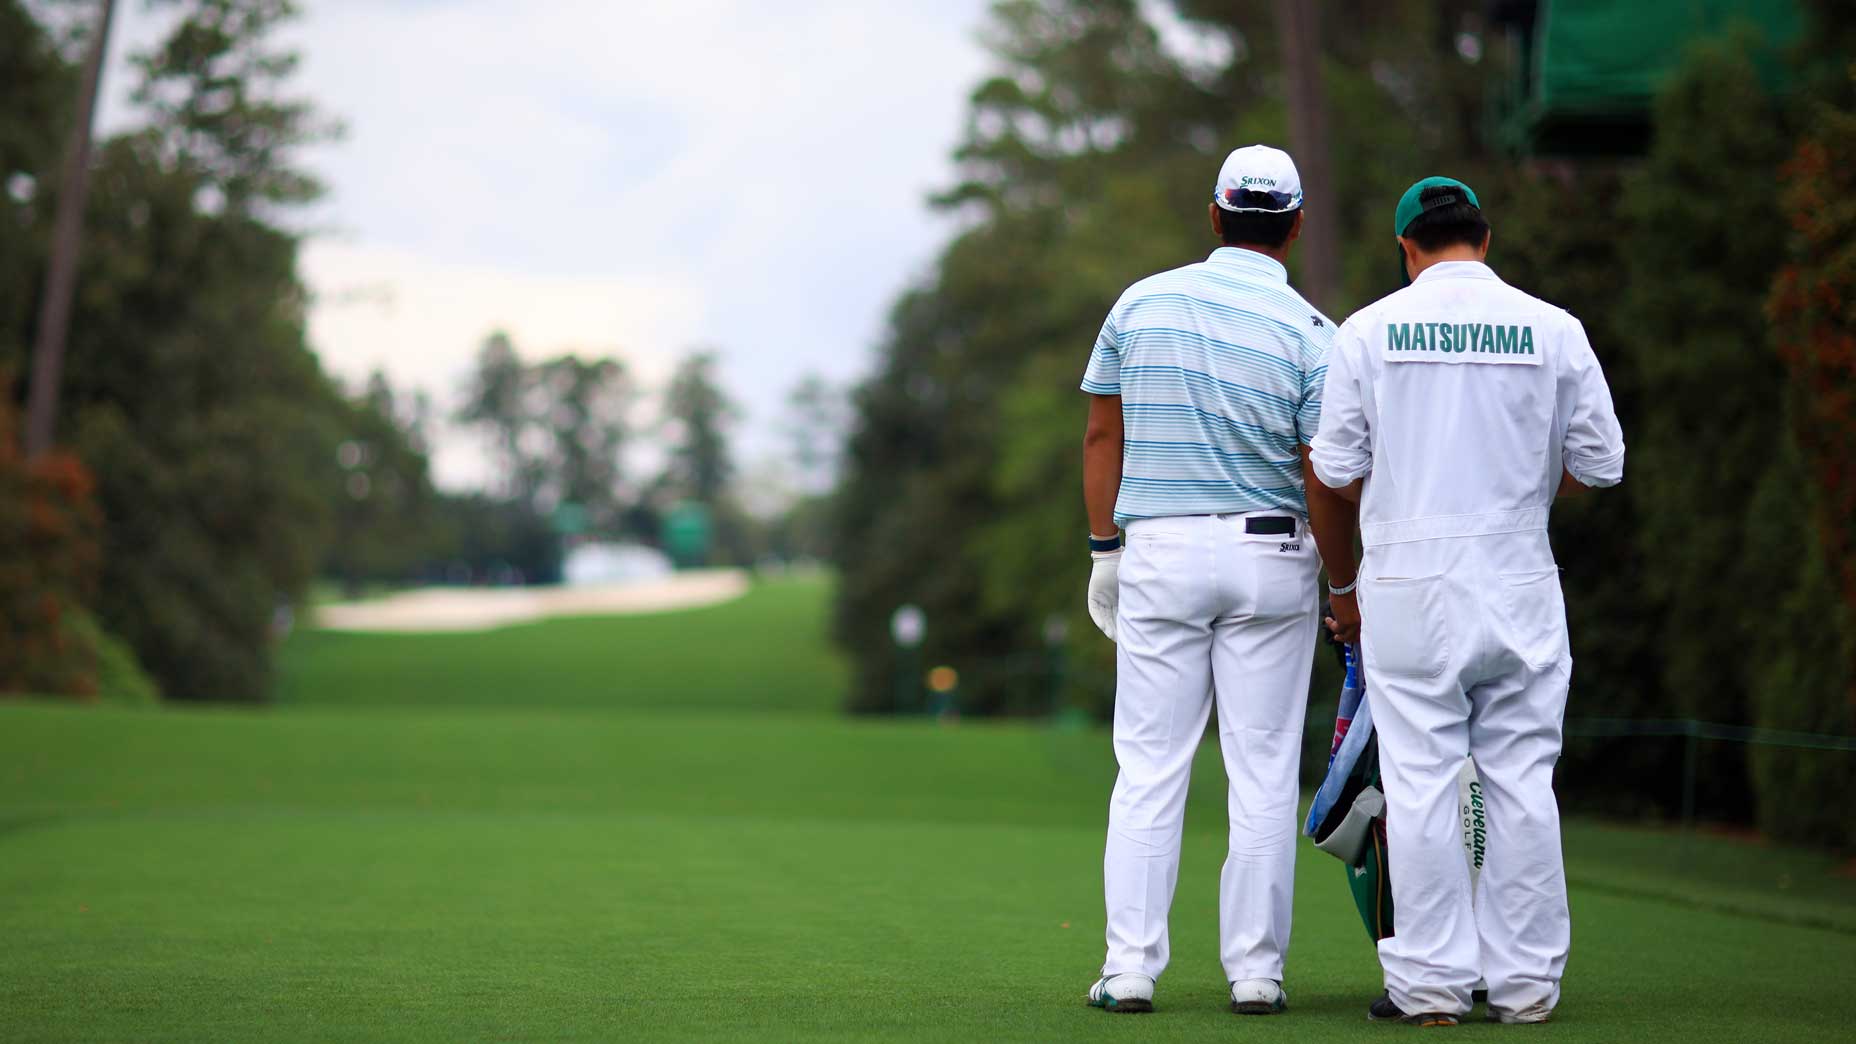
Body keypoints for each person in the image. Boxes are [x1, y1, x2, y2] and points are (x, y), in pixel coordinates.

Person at [1309, 177, 1626, 1026]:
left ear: (1407, 248)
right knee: (1522, 780)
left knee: (1420, 783)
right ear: (1484, 240)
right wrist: (1521, 488)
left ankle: (1431, 987)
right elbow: (1600, 463)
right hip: (1518, 576)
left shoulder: (1368, 331)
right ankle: (1524, 987)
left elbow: (1335, 470)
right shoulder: (1555, 328)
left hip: (1409, 583)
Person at [1079, 144, 1359, 1016]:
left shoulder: (1141, 302)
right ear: (1297, 225)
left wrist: (1102, 552)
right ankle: (1256, 972)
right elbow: (1325, 471)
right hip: (1274, 556)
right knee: (1265, 771)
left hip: (1160, 551)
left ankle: (1130, 968)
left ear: (1214, 215)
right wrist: (1343, 583)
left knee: (1151, 767)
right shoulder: (1316, 332)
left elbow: (1100, 438)